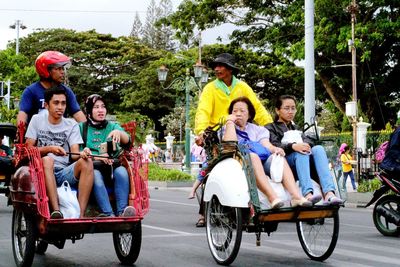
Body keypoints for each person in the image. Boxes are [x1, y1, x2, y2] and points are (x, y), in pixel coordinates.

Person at [193, 52, 274, 226]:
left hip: (243, 132)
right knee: (211, 168)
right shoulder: (210, 88)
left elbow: (257, 108)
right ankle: (204, 212)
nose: (217, 69)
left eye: (221, 66)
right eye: (215, 66)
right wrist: (201, 131)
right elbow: (203, 111)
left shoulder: (243, 87)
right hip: (217, 133)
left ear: (230, 69)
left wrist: (269, 126)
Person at [223, 97, 311, 208]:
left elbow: (266, 144)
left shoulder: (258, 129)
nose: (238, 114)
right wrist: (230, 122)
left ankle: (296, 197)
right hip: (238, 163)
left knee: (278, 157)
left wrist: (275, 149)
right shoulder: (227, 127)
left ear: (249, 114)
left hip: (262, 161)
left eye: (242, 111)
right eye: (235, 111)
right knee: (253, 156)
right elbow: (229, 144)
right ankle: (272, 198)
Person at [25, 86, 94, 218]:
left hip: (63, 172)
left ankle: (80, 214)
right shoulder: (36, 120)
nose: (60, 107)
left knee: (87, 162)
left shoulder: (71, 124)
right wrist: (49, 149)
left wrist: (83, 152)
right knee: (47, 159)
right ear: (46, 105)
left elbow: (74, 155)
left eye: (63, 103)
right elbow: (28, 150)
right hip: (40, 173)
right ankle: (57, 211)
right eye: (56, 103)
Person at [266, 95, 343, 205]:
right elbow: (274, 146)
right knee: (301, 153)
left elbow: (308, 139)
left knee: (318, 148)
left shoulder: (296, 128)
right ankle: (307, 194)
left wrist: (305, 145)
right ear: (278, 110)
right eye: (286, 108)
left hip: (304, 163)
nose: (290, 111)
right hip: (285, 164)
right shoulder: (270, 128)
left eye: (293, 108)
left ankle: (329, 193)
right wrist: (293, 146)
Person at [80, 94, 135, 217]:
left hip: (112, 167)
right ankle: (108, 214)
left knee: (121, 171)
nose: (100, 110)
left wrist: (119, 133)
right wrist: (95, 156)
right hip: (91, 168)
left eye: (103, 106)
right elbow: (77, 152)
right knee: (96, 174)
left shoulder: (112, 126)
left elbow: (128, 140)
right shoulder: (82, 128)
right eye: (96, 107)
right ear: (89, 110)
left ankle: (122, 212)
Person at [17, 51, 86, 125]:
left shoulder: (66, 91)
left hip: (60, 134)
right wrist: (21, 130)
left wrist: (88, 131)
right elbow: (23, 113)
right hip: (35, 135)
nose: (62, 72)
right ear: (46, 70)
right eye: (58, 68)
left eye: (63, 69)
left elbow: (77, 113)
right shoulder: (31, 91)